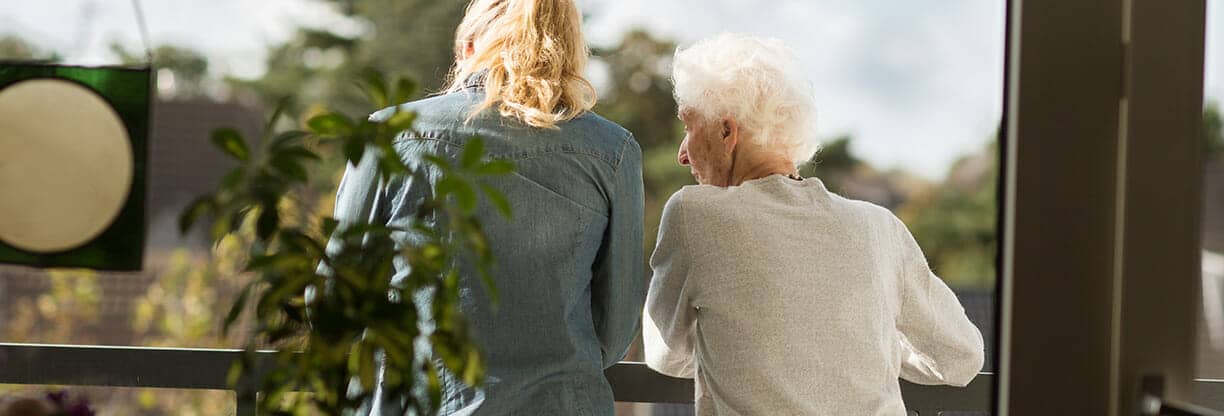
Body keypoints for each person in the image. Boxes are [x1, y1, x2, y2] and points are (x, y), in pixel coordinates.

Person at [327, 0, 645, 414]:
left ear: (469, 47)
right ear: (570, 53)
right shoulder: (614, 151)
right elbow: (616, 330)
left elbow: (335, 302)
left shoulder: (390, 134)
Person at [642, 33, 985, 415]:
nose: (682, 154)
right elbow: (962, 356)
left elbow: (665, 353)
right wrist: (868, 345)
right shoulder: (879, 227)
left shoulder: (694, 213)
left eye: (689, 127)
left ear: (727, 132)